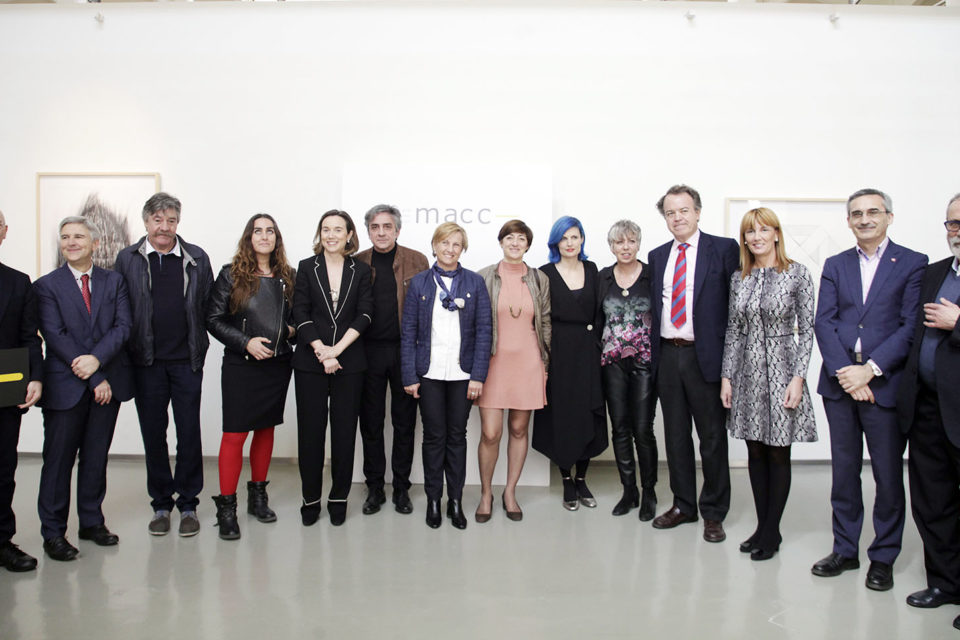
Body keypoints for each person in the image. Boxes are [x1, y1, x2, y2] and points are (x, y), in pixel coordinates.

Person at [811, 188, 926, 591]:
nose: (864, 219)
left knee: (888, 476)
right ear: (848, 221)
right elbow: (823, 321)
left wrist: (870, 371)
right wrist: (847, 372)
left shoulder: (913, 263)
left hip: (885, 385)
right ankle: (845, 549)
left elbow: (909, 327)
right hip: (840, 385)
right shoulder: (835, 264)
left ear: (889, 217)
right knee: (844, 474)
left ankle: (883, 557)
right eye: (856, 213)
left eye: (873, 212)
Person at [720, 208, 817, 561]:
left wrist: (798, 378)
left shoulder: (797, 274)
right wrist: (727, 377)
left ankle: (772, 531)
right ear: (744, 239)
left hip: (782, 372)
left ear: (776, 233)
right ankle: (761, 527)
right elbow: (733, 330)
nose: (757, 236)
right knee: (755, 451)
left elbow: (807, 331)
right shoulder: (739, 278)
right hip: (746, 373)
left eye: (764, 230)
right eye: (750, 232)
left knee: (778, 451)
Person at [114, 192, 214, 537]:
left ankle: (188, 504)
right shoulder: (127, 259)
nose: (164, 227)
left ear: (177, 223)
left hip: (187, 360)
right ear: (146, 222)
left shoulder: (197, 257)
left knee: (189, 433)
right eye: (157, 220)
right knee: (153, 434)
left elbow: (208, 307)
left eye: (171, 220)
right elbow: (121, 309)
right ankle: (160, 504)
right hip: (146, 362)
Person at [34, 216, 133, 561]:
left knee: (95, 458)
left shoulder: (114, 281)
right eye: (65, 237)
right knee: (58, 462)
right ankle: (53, 533)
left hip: (107, 385)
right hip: (67, 387)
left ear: (95, 244)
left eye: (79, 236)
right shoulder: (45, 286)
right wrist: (94, 374)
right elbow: (55, 335)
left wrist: (97, 362)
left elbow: (123, 327)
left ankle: (91, 521)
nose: (71, 242)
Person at [648, 184, 739, 542]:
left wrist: (731, 367)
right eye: (670, 213)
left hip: (707, 357)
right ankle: (683, 505)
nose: (678, 218)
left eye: (684, 210)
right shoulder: (657, 257)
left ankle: (713, 512)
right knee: (675, 435)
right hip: (669, 355)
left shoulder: (724, 249)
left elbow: (736, 308)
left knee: (712, 437)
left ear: (698, 212)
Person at [206, 214, 296, 540]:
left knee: (265, 429)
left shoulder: (289, 276)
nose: (264, 236)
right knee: (234, 434)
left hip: (276, 364)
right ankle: (226, 508)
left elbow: (300, 320)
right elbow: (213, 319)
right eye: (258, 230)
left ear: (276, 238)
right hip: (241, 364)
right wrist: (246, 342)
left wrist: (289, 330)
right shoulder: (230, 275)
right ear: (249, 237)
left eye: (270, 230)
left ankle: (258, 497)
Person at [401, 222, 491, 530]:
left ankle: (455, 501)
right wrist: (410, 375)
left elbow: (483, 332)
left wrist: (478, 375)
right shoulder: (420, 283)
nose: (449, 249)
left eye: (456, 244)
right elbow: (409, 331)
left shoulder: (475, 283)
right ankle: (433, 501)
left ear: (462, 249)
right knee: (433, 436)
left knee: (457, 437)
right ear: (435, 246)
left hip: (463, 373)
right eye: (444, 243)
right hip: (429, 372)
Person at [898, 193, 960, 629]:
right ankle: (945, 583)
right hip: (927, 409)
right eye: (952, 223)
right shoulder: (934, 272)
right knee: (932, 501)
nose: (957, 230)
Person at [293, 210, 372, 527]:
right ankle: (310, 500)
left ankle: (338, 498)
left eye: (338, 229)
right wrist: (321, 351)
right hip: (310, 362)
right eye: (325, 229)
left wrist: (337, 351)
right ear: (319, 234)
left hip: (349, 362)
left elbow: (365, 314)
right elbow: (299, 312)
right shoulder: (305, 267)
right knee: (310, 435)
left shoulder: (361, 270)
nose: (331, 235)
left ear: (350, 234)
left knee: (343, 434)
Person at [355, 204, 429, 516]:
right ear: (368, 230)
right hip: (367, 352)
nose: (381, 232)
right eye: (375, 227)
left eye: (387, 227)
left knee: (404, 423)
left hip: (405, 352)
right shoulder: (356, 262)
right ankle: (374, 488)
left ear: (397, 230)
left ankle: (401, 488)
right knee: (371, 423)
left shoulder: (417, 260)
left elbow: (427, 312)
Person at [476, 220, 550, 523]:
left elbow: (545, 321)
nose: (516, 243)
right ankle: (485, 494)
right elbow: (477, 324)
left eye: (521, 238)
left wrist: (546, 364)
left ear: (528, 245)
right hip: (493, 363)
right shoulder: (484, 277)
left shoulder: (539, 278)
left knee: (519, 429)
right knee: (490, 433)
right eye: (510, 237)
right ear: (501, 242)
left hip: (529, 363)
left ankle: (509, 492)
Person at [534, 216, 607, 512]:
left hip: (589, 353)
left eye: (574, 237)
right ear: (555, 242)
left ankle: (582, 477)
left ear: (582, 240)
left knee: (587, 412)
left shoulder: (593, 270)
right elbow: (540, 319)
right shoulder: (544, 273)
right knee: (562, 415)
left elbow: (601, 312)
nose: (569, 243)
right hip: (560, 353)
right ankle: (566, 478)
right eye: (564, 238)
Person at [599, 220, 659, 520]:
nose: (625, 247)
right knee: (620, 428)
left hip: (644, 363)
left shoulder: (652, 275)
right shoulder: (603, 278)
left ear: (638, 243)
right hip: (612, 363)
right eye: (619, 242)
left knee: (642, 430)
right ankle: (629, 491)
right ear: (611, 246)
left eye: (631, 241)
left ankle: (649, 492)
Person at [0, 209, 43, 572]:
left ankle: (2, 541)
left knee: (3, 468)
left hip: (5, 383)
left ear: (4, 232)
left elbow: (29, 337)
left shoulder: (18, 282)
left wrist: (34, 377)